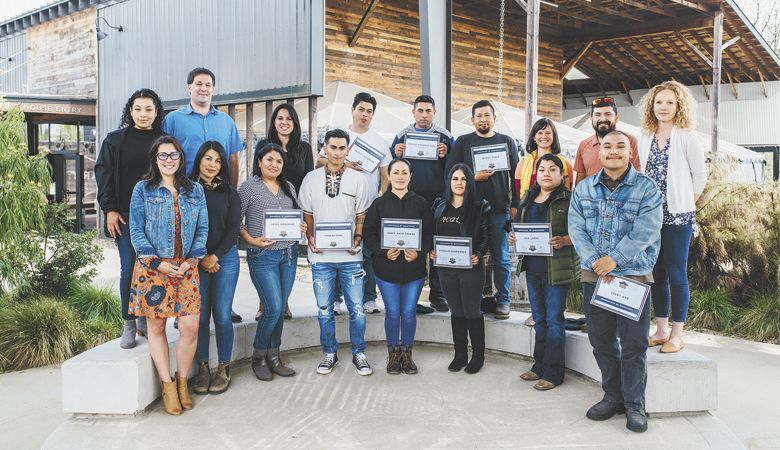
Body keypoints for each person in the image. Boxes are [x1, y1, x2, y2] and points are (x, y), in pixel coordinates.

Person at [568, 130, 663, 433]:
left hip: (633, 276)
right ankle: (613, 396)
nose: (613, 151)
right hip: (594, 275)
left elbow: (648, 230)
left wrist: (615, 259)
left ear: (630, 152)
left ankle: (635, 404)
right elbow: (576, 227)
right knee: (600, 339)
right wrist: (597, 260)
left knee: (634, 344)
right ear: (599, 153)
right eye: (607, 146)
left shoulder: (647, 189)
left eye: (620, 146)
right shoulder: (583, 189)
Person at [128, 136, 209, 416]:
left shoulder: (195, 190)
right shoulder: (143, 189)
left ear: (181, 158)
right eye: (162, 156)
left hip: (186, 269)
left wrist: (192, 261)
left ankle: (183, 381)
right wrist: (157, 262)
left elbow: (202, 230)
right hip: (154, 270)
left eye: (173, 155)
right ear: (154, 159)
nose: (168, 160)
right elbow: (136, 231)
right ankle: (167, 385)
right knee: (157, 328)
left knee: (190, 328)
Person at [163, 67, 244, 323]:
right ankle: (183, 305)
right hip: (186, 195)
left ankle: (223, 305)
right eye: (199, 83)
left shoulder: (225, 121)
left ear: (213, 89)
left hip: (218, 194)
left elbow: (232, 158)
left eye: (208, 84)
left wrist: (232, 191)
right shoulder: (174, 120)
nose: (203, 88)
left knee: (220, 244)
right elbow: (166, 156)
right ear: (189, 87)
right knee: (186, 249)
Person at [640, 81, 707, 354]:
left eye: (669, 102)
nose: (663, 107)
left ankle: (678, 334)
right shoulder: (644, 136)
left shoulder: (687, 136)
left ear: (678, 105)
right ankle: (661, 329)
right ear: (651, 106)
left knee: (676, 273)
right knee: (656, 274)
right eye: (658, 102)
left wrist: (686, 204)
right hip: (650, 216)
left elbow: (700, 177)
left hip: (679, 216)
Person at [95, 88, 165, 349]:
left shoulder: (165, 140)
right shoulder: (115, 140)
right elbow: (103, 176)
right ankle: (129, 322)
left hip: (158, 216)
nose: (143, 114)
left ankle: (147, 317)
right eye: (138, 109)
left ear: (156, 112)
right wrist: (109, 209)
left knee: (153, 268)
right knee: (129, 269)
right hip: (124, 215)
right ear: (130, 111)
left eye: (149, 109)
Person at [299, 129, 372, 376]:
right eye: (333, 147)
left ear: (348, 150)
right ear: (325, 149)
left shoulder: (358, 179)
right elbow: (307, 212)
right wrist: (310, 236)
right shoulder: (311, 178)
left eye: (342, 148)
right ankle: (329, 353)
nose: (338, 152)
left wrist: (358, 237)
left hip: (351, 256)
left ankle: (358, 353)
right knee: (324, 309)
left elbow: (361, 213)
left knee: (357, 308)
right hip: (321, 257)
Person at [315, 92, 391, 315]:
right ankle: (336, 299)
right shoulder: (340, 134)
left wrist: (380, 200)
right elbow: (319, 162)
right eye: (361, 109)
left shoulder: (379, 141)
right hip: (337, 205)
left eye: (369, 111)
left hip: (366, 208)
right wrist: (345, 164)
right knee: (338, 252)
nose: (365, 114)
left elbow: (385, 175)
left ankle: (369, 299)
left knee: (366, 255)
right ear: (353, 109)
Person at [509, 154, 578, 391]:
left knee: (553, 320)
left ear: (562, 174)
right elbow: (523, 229)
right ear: (535, 174)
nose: (546, 174)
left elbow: (582, 232)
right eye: (542, 170)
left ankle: (554, 372)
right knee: (539, 319)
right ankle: (539, 364)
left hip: (556, 270)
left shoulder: (569, 199)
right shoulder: (528, 198)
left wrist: (565, 240)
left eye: (552, 169)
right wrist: (515, 236)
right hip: (533, 268)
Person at [445, 100, 519, 320]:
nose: (483, 119)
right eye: (479, 115)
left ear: (494, 118)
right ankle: (471, 299)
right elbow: (450, 173)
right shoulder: (463, 141)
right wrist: (472, 178)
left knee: (501, 257)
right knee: (470, 255)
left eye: (487, 115)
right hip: (469, 209)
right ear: (472, 119)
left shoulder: (506, 141)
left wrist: (515, 205)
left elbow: (516, 175)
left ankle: (503, 300)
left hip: (498, 209)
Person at [240, 143, 306, 382]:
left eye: (278, 161)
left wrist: (301, 227)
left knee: (279, 311)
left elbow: (297, 217)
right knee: (273, 308)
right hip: (263, 256)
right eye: (269, 159)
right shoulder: (248, 188)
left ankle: (274, 357)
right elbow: (237, 221)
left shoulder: (288, 187)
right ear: (259, 161)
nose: (274, 164)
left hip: (288, 255)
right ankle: (258, 357)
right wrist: (251, 240)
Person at [363, 158, 433, 374]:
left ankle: (407, 355)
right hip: (387, 268)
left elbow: (429, 234)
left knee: (409, 312)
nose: (400, 176)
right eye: (396, 172)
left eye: (405, 172)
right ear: (389, 176)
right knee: (393, 312)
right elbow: (369, 234)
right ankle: (394, 355)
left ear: (410, 177)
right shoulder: (379, 204)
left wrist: (419, 252)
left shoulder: (421, 203)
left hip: (413, 269)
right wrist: (384, 251)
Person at [389, 95, 453, 313]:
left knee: (435, 247)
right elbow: (393, 168)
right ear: (413, 112)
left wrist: (446, 155)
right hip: (410, 201)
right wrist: (395, 153)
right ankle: (411, 298)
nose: (424, 115)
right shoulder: (402, 135)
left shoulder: (444, 136)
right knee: (409, 246)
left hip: (437, 201)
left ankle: (438, 295)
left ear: (434, 112)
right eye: (420, 111)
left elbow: (455, 169)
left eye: (428, 111)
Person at [253, 103, 314, 321]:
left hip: (292, 213)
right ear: (274, 122)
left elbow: (308, 181)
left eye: (289, 118)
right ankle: (265, 303)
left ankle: (284, 301)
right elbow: (255, 177)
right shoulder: (263, 145)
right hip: (267, 210)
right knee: (268, 256)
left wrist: (306, 214)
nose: (284, 122)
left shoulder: (304, 148)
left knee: (287, 258)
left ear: (295, 122)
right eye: (280, 118)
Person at [189, 142, 241, 395]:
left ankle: (223, 366)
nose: (212, 165)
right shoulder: (186, 190)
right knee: (200, 317)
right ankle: (202, 367)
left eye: (217, 160)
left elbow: (233, 231)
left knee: (221, 315)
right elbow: (184, 228)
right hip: (195, 260)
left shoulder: (230, 193)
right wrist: (201, 257)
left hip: (225, 259)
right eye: (207, 159)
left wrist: (214, 256)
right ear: (199, 160)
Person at [432, 164, 491, 374]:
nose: (459, 183)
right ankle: (460, 355)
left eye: (464, 179)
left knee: (472, 311)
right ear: (449, 182)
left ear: (470, 182)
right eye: (455, 179)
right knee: (456, 311)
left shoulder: (480, 206)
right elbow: (433, 234)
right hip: (446, 269)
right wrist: (432, 251)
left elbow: (485, 235)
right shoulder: (440, 206)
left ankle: (478, 356)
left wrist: (479, 253)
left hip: (471, 268)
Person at [573, 97, 640, 186]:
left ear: (617, 118)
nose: (603, 118)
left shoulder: (630, 140)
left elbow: (637, 175)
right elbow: (579, 182)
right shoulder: (584, 145)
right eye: (597, 115)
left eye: (608, 114)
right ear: (591, 118)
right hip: (591, 199)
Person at [514, 118, 573, 199]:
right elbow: (517, 197)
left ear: (554, 136)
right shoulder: (522, 164)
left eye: (548, 133)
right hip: (528, 210)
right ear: (534, 137)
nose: (544, 136)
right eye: (540, 133)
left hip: (556, 210)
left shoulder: (566, 164)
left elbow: (568, 196)